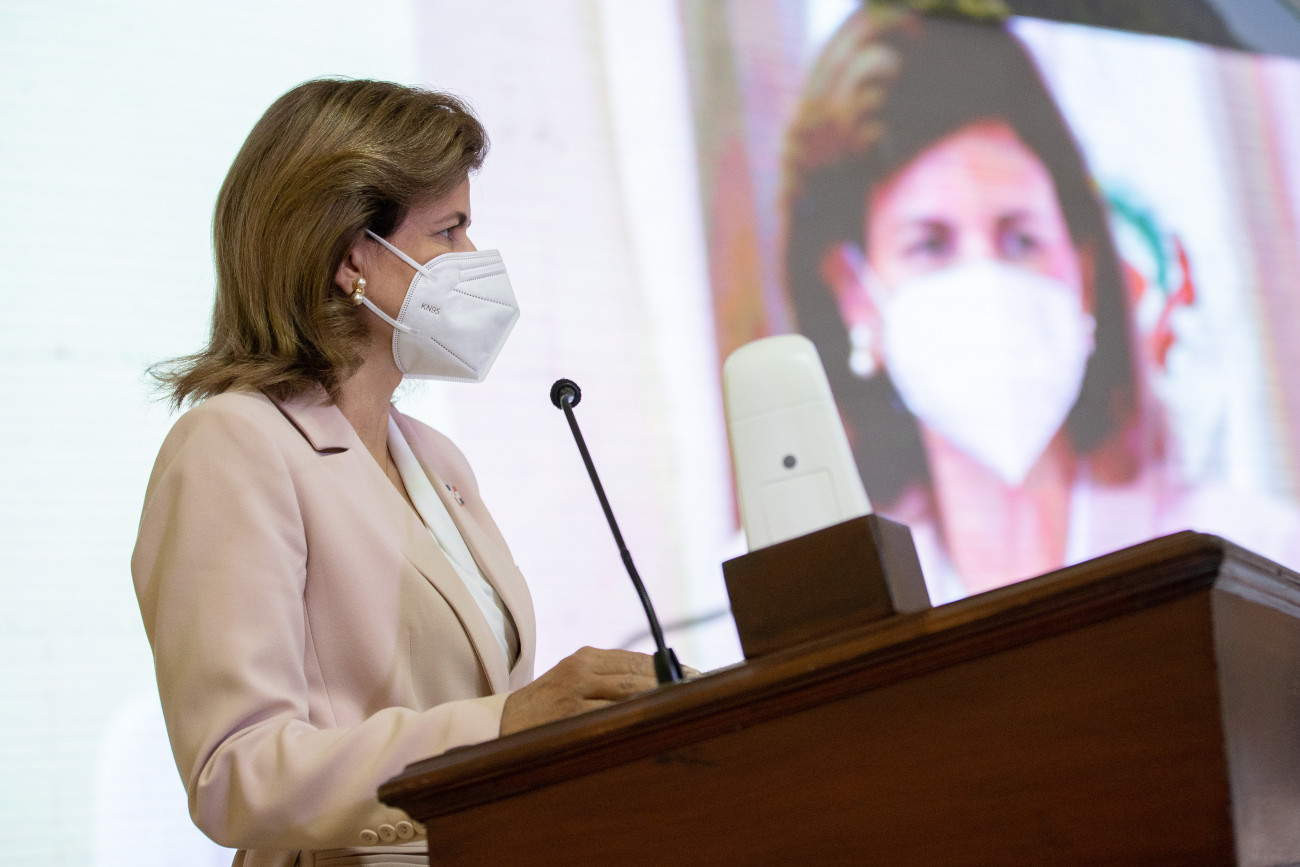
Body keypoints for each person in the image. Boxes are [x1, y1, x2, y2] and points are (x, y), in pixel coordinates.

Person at [132, 79, 661, 867]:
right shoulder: (233, 444)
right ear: (352, 256)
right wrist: (505, 726)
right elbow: (235, 773)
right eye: (449, 230)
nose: (474, 260)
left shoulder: (436, 459)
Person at [779, 9, 1300, 601]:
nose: (985, 280)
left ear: (1083, 271)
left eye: (1021, 239)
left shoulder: (1258, 559)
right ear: (854, 296)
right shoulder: (812, 597)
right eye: (930, 245)